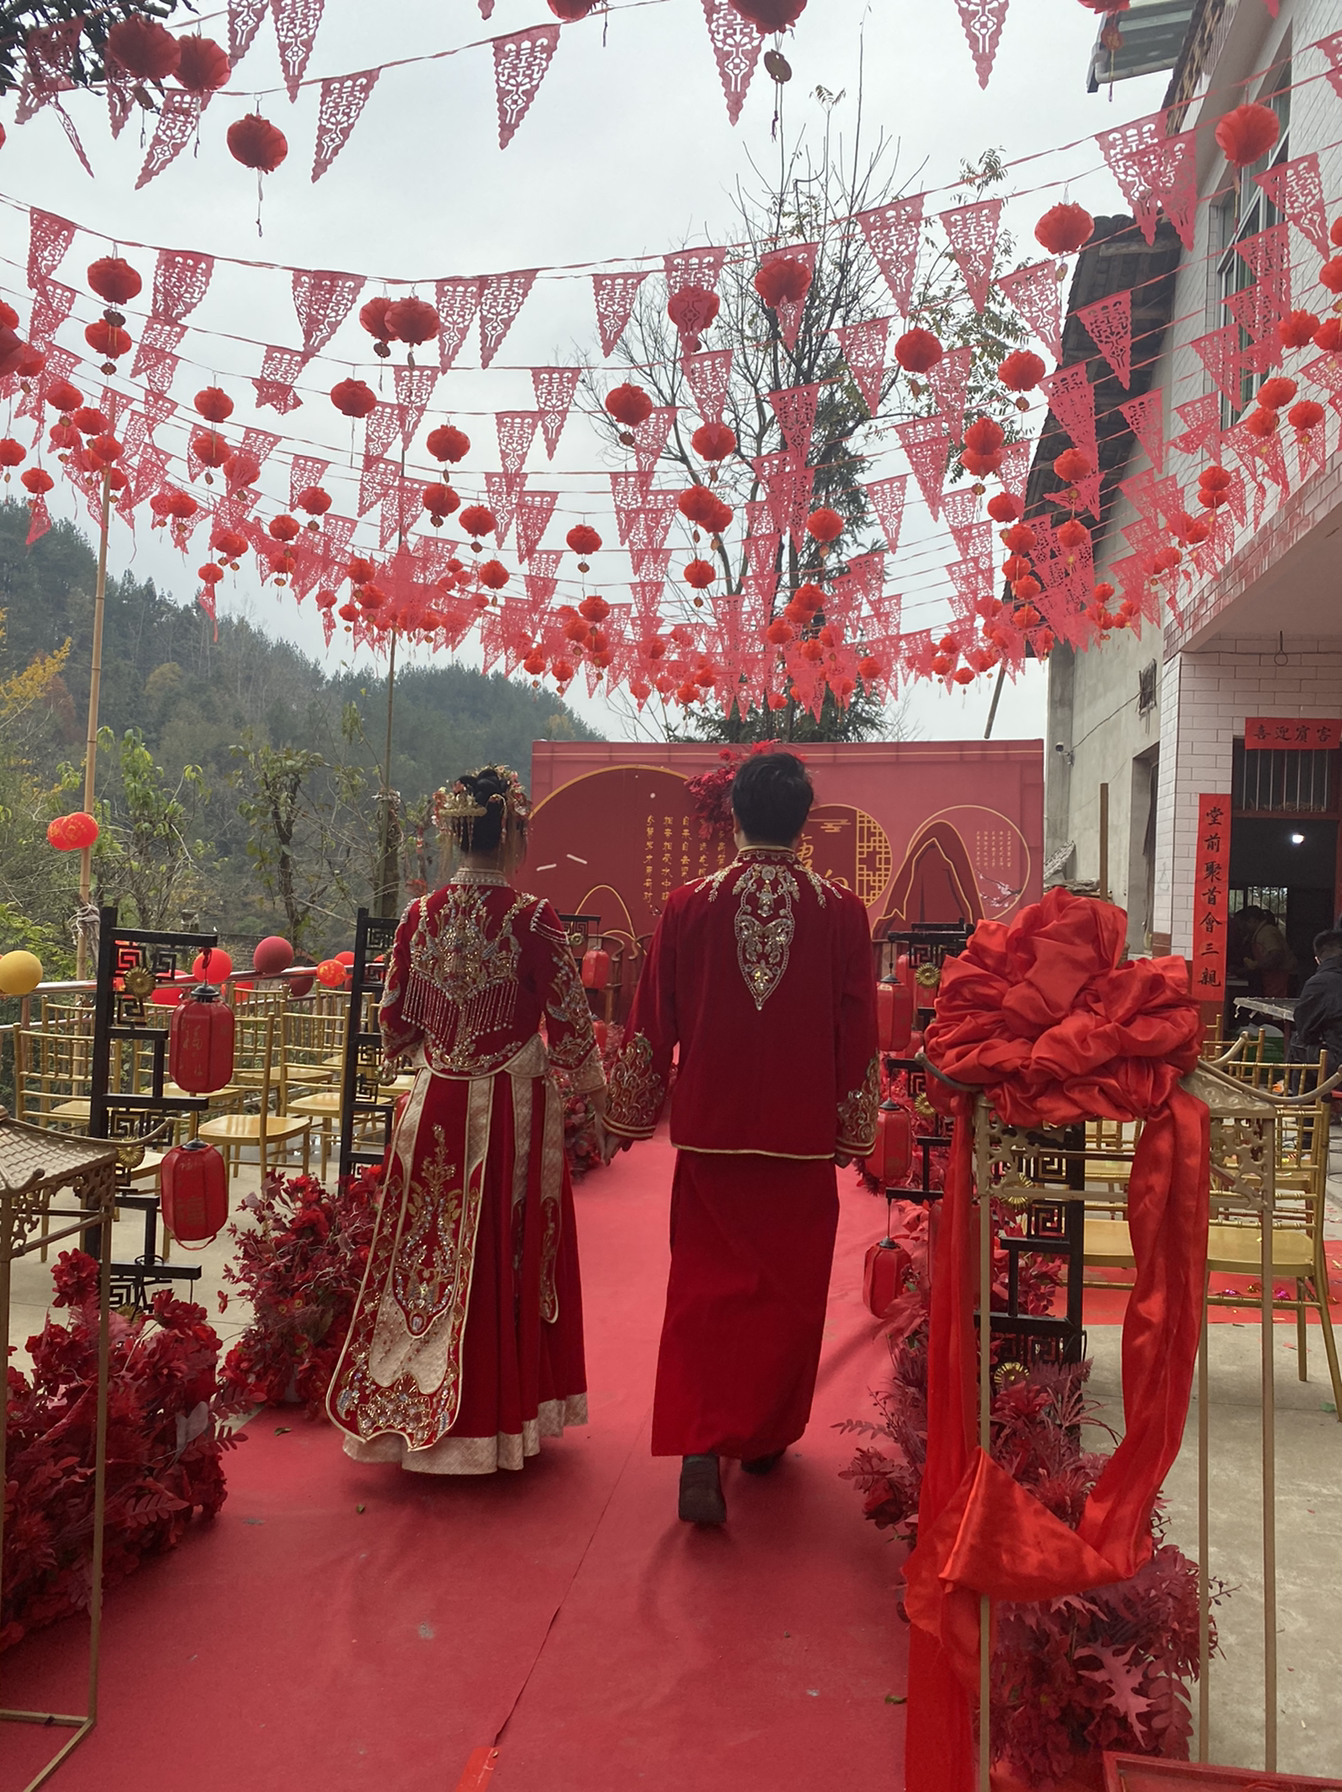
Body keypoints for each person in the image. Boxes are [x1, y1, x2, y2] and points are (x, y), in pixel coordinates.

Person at [603, 751, 879, 1524]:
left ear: (735, 816)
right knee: (787, 1293)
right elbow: (856, 1027)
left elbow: (653, 1015)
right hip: (799, 1135)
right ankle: (760, 1436)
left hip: (712, 1132)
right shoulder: (841, 911)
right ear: (803, 821)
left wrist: (631, 1110)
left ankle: (701, 1444)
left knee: (704, 1288)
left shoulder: (688, 905)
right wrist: (855, 1126)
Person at [327, 766, 605, 1474]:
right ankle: (495, 1420)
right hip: (509, 1105)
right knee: (503, 1248)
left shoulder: (418, 916)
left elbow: (394, 1022)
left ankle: (409, 1404)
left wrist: (443, 1043)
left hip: (434, 1102)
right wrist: (594, 1089)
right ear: (510, 833)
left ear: (457, 832)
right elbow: (571, 1026)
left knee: (426, 1250)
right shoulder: (532, 917)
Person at [1286, 928, 1342, 1085]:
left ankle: (1299, 1097)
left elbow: (1305, 1030)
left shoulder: (1319, 983)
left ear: (1317, 960)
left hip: (1338, 1066)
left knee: (1297, 1042)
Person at [1240, 904, 1294, 998]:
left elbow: (1276, 954)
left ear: (1253, 920)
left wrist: (1256, 965)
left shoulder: (1266, 932)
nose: (1244, 927)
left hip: (1281, 977)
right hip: (1273, 977)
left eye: (1246, 923)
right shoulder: (1261, 932)